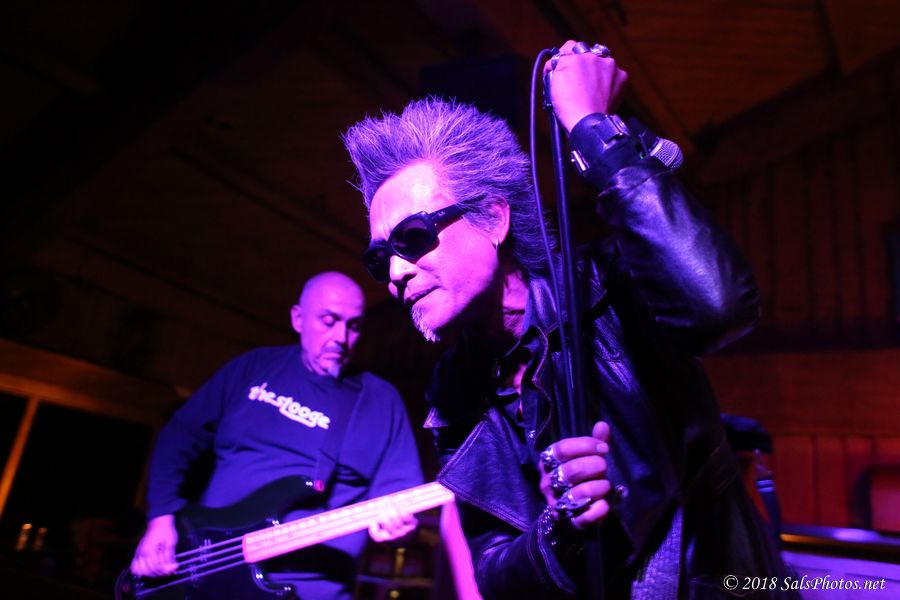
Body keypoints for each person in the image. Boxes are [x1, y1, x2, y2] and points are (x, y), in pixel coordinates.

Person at [342, 40, 795, 599]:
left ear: (494, 219)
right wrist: (560, 531)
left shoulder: (605, 286)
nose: (394, 273)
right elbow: (493, 571)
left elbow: (718, 307)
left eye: (413, 237)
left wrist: (592, 129)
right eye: (379, 258)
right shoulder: (453, 387)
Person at [129, 271, 424, 600]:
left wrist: (401, 530)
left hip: (306, 589)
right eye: (328, 321)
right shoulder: (253, 367)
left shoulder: (380, 402)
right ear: (298, 319)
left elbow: (401, 504)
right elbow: (180, 436)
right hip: (206, 567)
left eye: (353, 326)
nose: (341, 337)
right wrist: (161, 518)